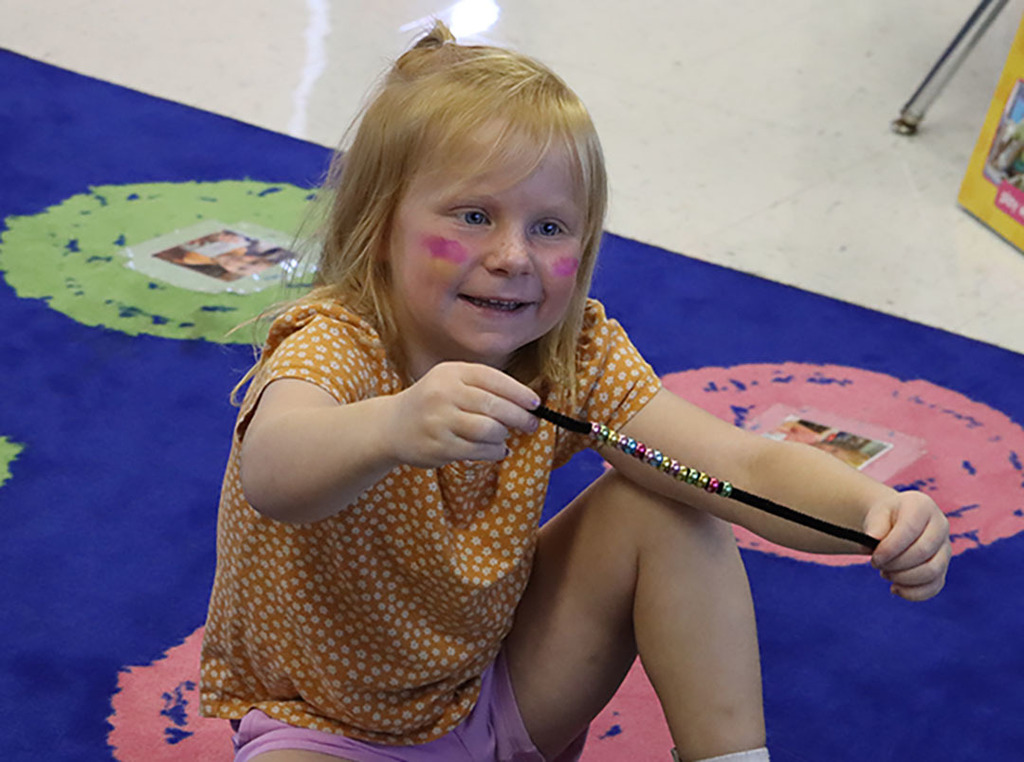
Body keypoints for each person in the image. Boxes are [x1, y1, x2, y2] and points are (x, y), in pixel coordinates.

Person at [200, 21, 951, 762]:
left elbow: (743, 470)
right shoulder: (336, 342)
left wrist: (874, 515)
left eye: (552, 227)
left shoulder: (571, 355)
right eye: (473, 215)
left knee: (666, 504)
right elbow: (275, 470)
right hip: (319, 729)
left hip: (494, 695)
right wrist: (393, 426)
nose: (512, 256)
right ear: (379, 223)